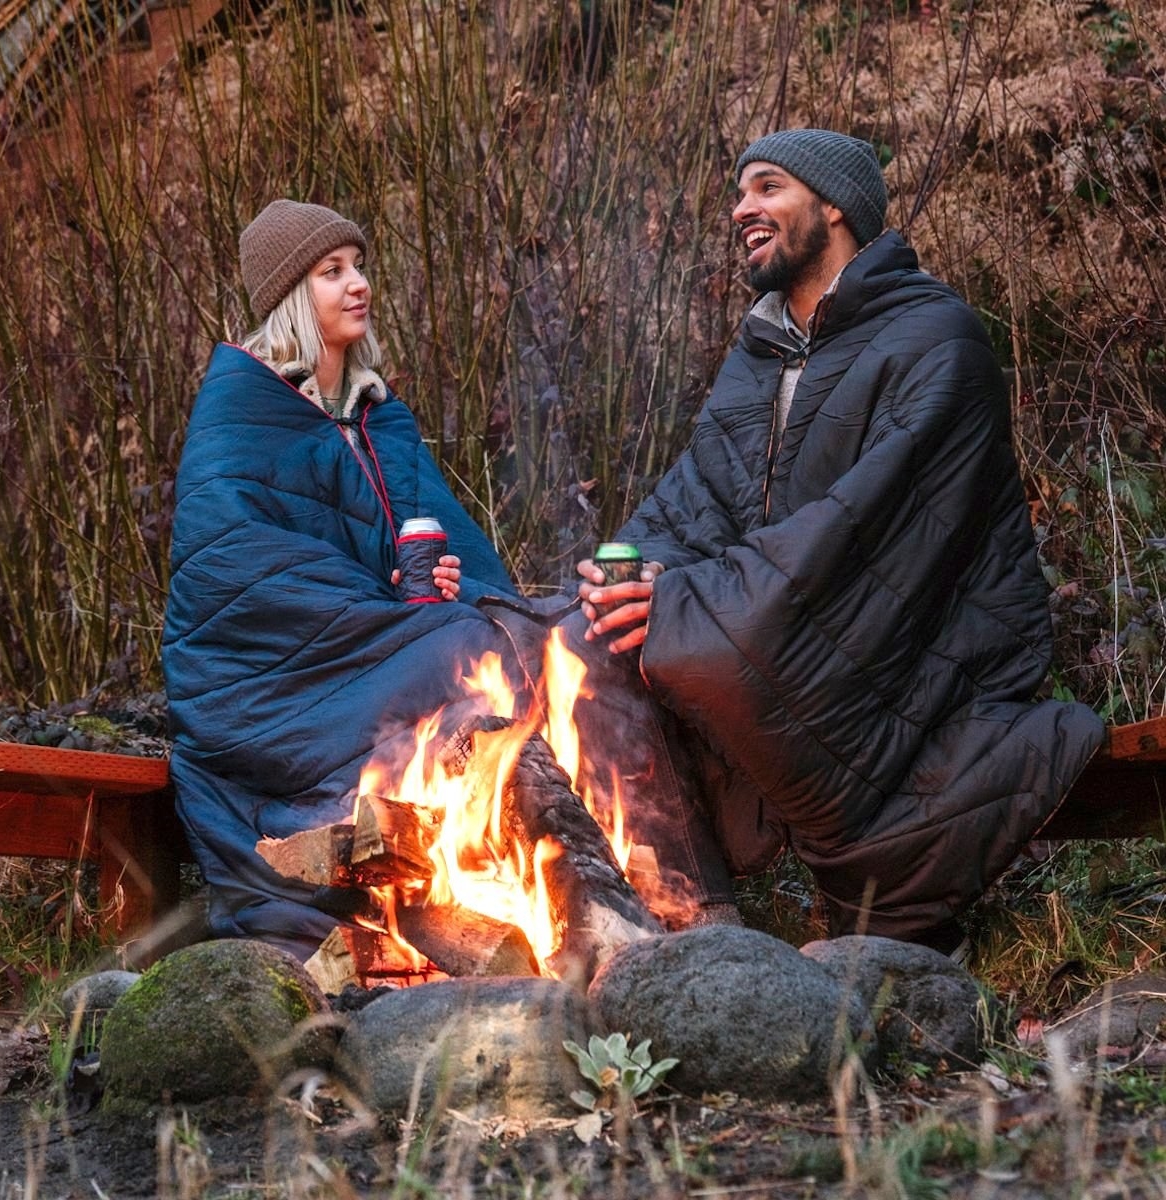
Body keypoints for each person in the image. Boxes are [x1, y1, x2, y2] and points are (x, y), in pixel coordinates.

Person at [575, 129, 1106, 955]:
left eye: (767, 188)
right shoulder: (760, 352)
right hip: (793, 612)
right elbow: (696, 499)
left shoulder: (936, 338)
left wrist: (687, 603)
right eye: (740, 192)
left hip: (919, 653)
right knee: (583, 640)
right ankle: (693, 924)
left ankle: (889, 916)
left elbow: (866, 531)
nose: (741, 208)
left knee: (711, 643)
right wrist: (630, 571)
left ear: (834, 207)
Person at [163, 199, 733, 964]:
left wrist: (450, 583)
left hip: (383, 639)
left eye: (358, 265)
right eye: (332, 272)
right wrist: (392, 606)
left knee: (576, 632)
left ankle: (687, 907)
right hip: (279, 682)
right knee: (485, 648)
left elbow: (447, 553)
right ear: (292, 296)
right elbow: (238, 574)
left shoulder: (376, 416)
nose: (357, 283)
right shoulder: (241, 410)